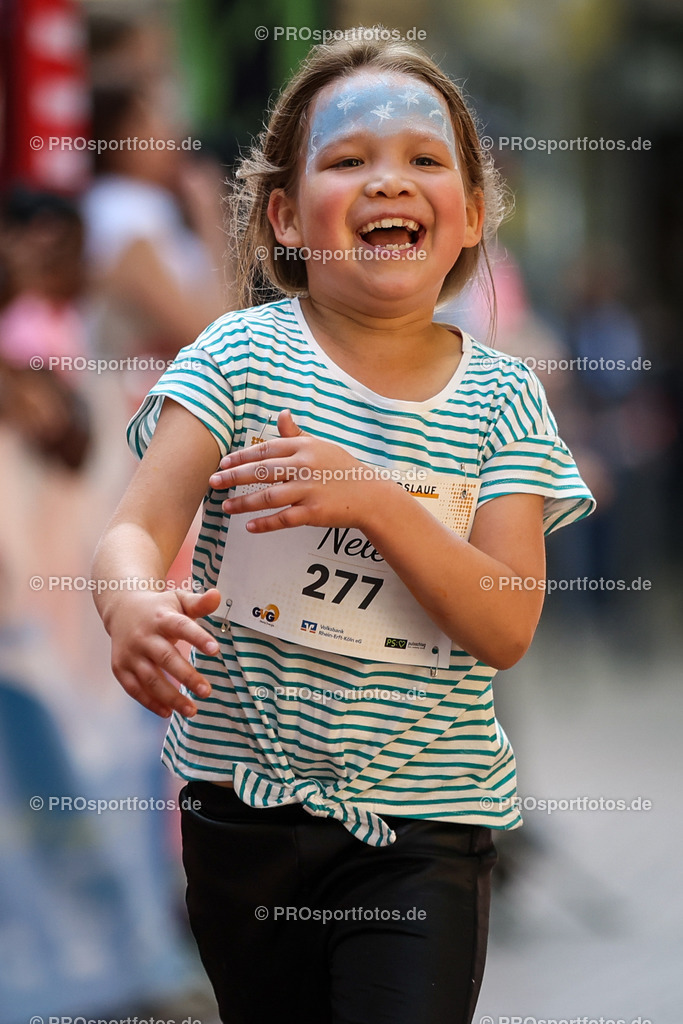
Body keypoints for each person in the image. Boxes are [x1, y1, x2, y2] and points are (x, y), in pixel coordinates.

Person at [92, 34, 595, 1024]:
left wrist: (370, 497)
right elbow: (131, 534)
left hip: (425, 824)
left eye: (422, 158)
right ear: (285, 215)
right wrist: (131, 607)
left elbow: (505, 624)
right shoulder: (236, 358)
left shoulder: (502, 400)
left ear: (471, 214)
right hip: (239, 814)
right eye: (348, 158)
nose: (386, 180)